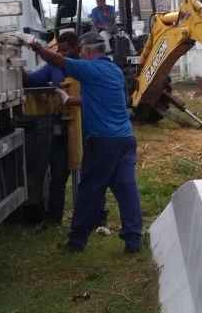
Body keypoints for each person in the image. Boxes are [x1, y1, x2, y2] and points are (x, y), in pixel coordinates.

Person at [31, 31, 142, 253]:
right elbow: (103, 100)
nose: (80, 55)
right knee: (126, 189)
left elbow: (59, 61)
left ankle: (76, 242)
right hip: (125, 139)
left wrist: (37, 48)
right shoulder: (115, 71)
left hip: (102, 142)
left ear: (89, 51)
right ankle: (133, 240)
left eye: (82, 51)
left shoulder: (89, 69)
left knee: (89, 190)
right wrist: (70, 99)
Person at [23, 31, 79, 224]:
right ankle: (54, 217)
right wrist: (16, 68)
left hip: (82, 128)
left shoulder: (83, 67)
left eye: (66, 50)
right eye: (60, 50)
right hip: (59, 129)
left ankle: (92, 216)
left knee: (86, 173)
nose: (62, 54)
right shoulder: (53, 67)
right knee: (58, 173)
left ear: (76, 48)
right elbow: (30, 81)